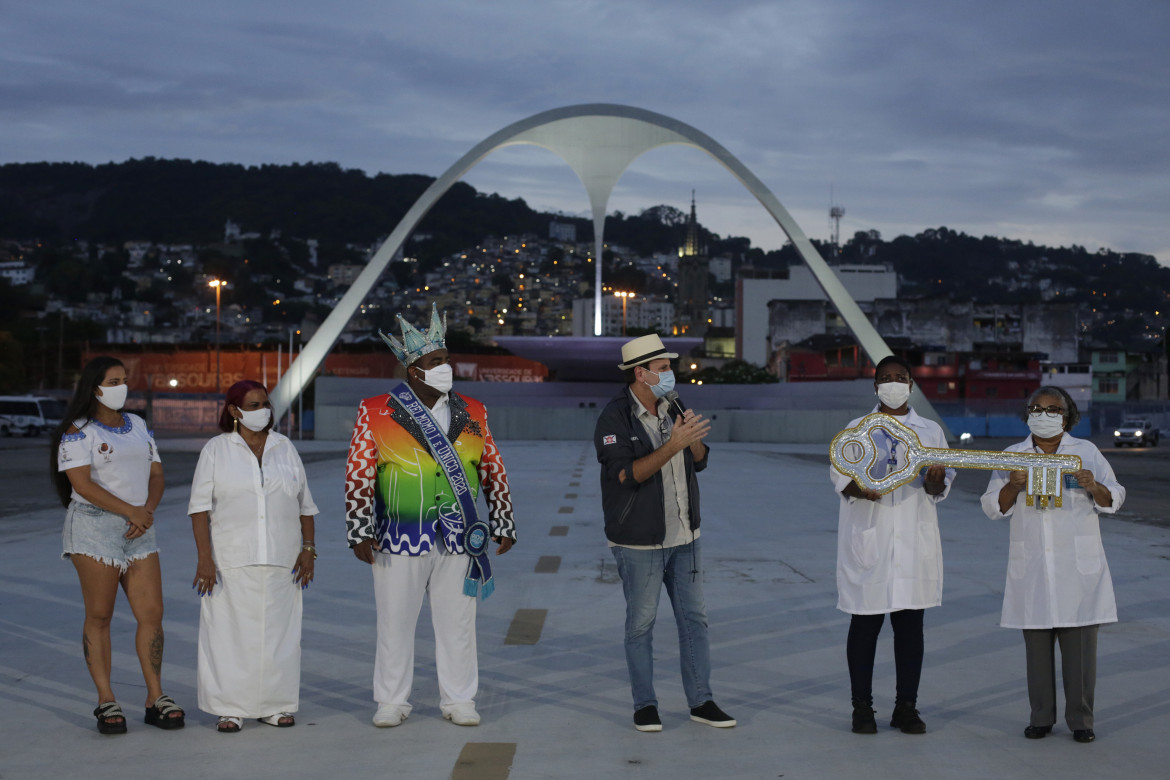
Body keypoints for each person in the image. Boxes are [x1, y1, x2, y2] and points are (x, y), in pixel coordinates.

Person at [345, 304, 516, 728]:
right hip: (398, 533)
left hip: (461, 536)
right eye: (434, 361)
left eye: (446, 359)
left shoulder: (474, 410)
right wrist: (358, 529)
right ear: (412, 370)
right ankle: (391, 700)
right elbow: (358, 472)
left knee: (458, 623)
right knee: (395, 623)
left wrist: (504, 520)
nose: (445, 367)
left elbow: (492, 466)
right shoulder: (376, 410)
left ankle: (459, 699)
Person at [593, 333, 735, 733]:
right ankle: (645, 705)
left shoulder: (673, 405)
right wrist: (675, 444)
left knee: (695, 620)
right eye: (663, 368)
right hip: (639, 541)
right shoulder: (614, 417)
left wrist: (694, 444)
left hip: (685, 536)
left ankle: (701, 701)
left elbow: (700, 462)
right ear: (641, 373)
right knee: (641, 624)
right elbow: (626, 476)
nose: (670, 374)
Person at [980, 386, 1123, 744]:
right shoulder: (1013, 455)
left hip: (1077, 567)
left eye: (1053, 409)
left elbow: (1114, 497)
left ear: (1067, 415)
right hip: (1033, 565)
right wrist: (1012, 487)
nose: (1044, 415)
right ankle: (1041, 717)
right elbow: (991, 506)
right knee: (1037, 650)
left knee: (1080, 653)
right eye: (1037, 408)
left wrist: (1094, 487)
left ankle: (1081, 720)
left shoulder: (1085, 452)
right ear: (1028, 413)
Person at [50, 356, 185, 734]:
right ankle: (106, 699)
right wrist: (131, 511)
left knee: (152, 613)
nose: (121, 387)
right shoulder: (78, 431)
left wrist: (147, 511)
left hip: (140, 528)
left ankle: (155, 697)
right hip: (94, 529)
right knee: (100, 615)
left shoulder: (138, 425)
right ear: (94, 387)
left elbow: (156, 473)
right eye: (113, 381)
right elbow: (83, 485)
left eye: (124, 380)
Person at [188, 380, 319, 733]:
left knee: (280, 635)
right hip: (231, 560)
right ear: (234, 410)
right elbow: (199, 509)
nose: (263, 410)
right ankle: (230, 708)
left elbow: (304, 505)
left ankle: (275, 705)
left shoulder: (284, 447)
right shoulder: (216, 450)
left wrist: (309, 549)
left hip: (283, 559)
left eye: (266, 404)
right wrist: (205, 559)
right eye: (254, 404)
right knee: (229, 636)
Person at [832, 355, 953, 735]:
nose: (894, 383)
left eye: (901, 377)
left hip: (914, 543)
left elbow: (941, 485)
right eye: (886, 378)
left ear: (912, 385)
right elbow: (840, 477)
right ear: (875, 386)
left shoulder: (930, 431)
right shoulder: (856, 429)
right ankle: (862, 708)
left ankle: (906, 708)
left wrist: (934, 480)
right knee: (865, 627)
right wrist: (864, 488)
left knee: (910, 629)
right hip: (871, 539)